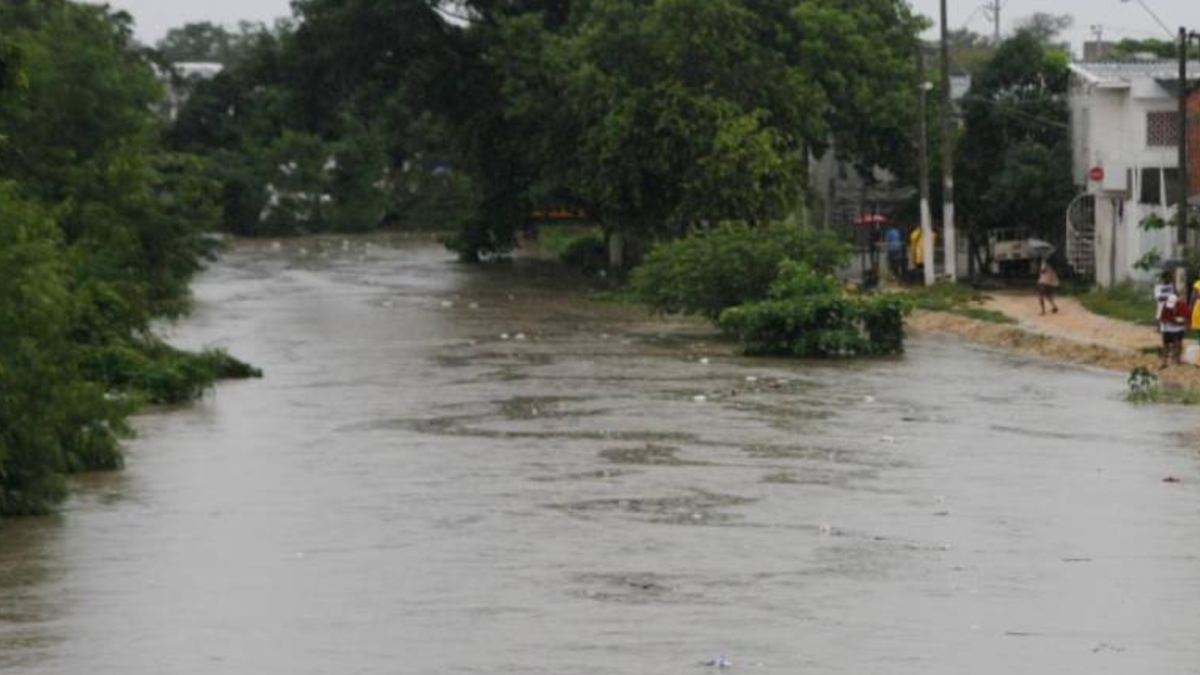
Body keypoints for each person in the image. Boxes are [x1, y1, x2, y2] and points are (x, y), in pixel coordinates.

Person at [1159, 291, 1190, 368]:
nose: (1171, 306)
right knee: (1166, 345)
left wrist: (1183, 324)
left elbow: (1186, 318)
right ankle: (1164, 362)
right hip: (1167, 328)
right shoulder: (1166, 306)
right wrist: (1170, 321)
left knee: (1178, 343)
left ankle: (1177, 359)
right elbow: (1162, 318)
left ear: (1177, 302)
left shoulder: (1183, 306)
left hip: (1179, 328)